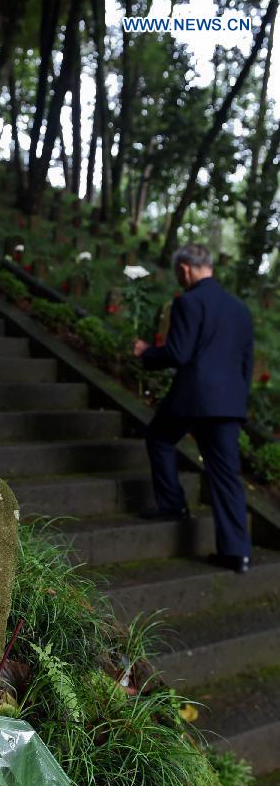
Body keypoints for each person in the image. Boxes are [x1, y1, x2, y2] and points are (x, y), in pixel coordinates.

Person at [134, 243, 253, 574]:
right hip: (228, 405)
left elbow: (178, 353)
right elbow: (247, 363)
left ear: (185, 269)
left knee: (158, 437)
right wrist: (237, 403)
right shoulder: (239, 309)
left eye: (178, 273)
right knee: (226, 474)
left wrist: (147, 353)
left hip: (194, 398)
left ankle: (173, 505)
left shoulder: (188, 301)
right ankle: (237, 553)